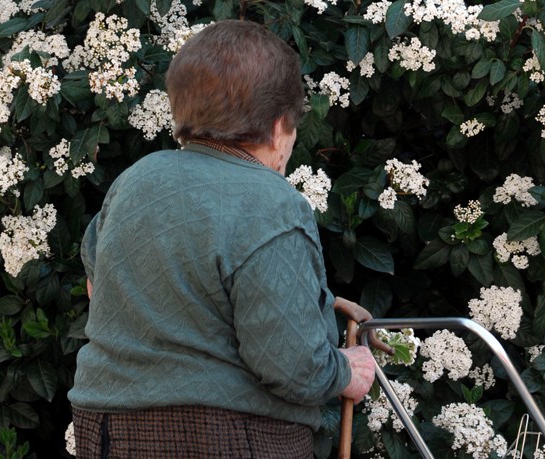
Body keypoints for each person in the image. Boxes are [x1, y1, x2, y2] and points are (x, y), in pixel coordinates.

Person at [68, 19, 386, 458]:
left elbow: (100, 285)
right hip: (221, 435)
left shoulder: (135, 180)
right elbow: (291, 365)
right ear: (278, 128)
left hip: (102, 428)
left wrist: (320, 298)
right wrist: (345, 372)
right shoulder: (272, 201)